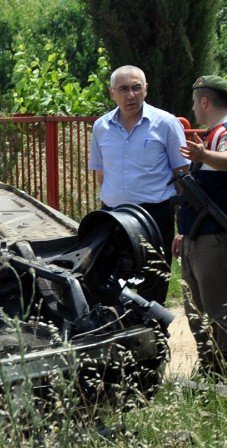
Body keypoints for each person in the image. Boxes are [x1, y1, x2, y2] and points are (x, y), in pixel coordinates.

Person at [88, 65, 190, 303]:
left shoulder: (166, 123)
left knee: (154, 279)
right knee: (106, 279)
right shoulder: (101, 127)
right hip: (113, 215)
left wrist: (182, 223)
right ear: (111, 93)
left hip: (154, 215)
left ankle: (155, 334)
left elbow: (183, 175)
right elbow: (102, 173)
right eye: (123, 89)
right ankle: (117, 332)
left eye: (136, 88)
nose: (130, 95)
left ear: (146, 89)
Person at [173, 75, 227, 381]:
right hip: (197, 237)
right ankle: (208, 370)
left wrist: (204, 155)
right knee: (197, 310)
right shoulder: (211, 134)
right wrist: (183, 231)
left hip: (215, 240)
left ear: (204, 101)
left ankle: (223, 376)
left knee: (220, 310)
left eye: (194, 101)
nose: (192, 108)